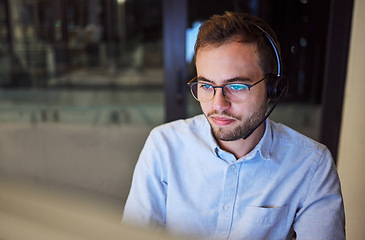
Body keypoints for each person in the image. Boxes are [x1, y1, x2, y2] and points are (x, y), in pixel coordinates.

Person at [122, 11, 345, 240]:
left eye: (237, 87)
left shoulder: (311, 165)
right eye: (206, 86)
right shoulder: (164, 146)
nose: (218, 105)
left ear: (273, 89)